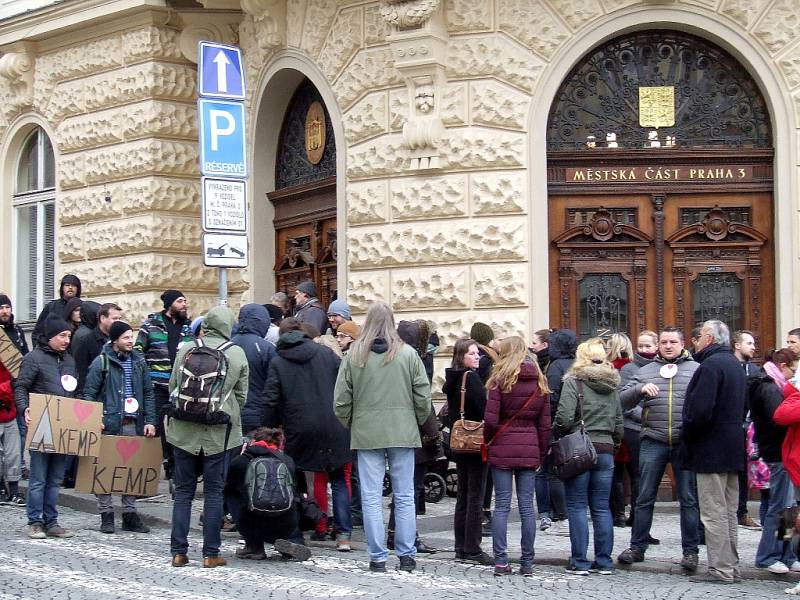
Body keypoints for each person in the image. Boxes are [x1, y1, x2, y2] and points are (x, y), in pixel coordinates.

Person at [334, 301, 430, 573]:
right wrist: (415, 421)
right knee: (404, 495)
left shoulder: (354, 356)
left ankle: (377, 557)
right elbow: (423, 397)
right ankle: (407, 555)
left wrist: (355, 423)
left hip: (367, 432)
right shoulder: (408, 354)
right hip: (402, 431)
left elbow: (341, 401)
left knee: (371, 496)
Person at [167, 306, 248, 568]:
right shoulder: (236, 353)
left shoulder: (185, 349)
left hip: (183, 432)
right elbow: (242, 396)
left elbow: (173, 387)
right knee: (214, 493)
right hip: (218, 434)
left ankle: (178, 552)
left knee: (183, 493)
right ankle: (210, 553)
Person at [262, 317, 352, 551]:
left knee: (297, 478)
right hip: (335, 423)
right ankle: (343, 535)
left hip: (299, 428)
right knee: (339, 479)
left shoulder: (279, 362)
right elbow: (345, 384)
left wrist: (269, 429)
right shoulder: (326, 353)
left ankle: (300, 531)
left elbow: (270, 400)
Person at [616, 327, 700, 572]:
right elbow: (620, 400)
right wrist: (638, 391)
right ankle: (637, 547)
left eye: (673, 341)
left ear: (682, 344)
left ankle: (690, 551)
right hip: (653, 439)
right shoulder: (646, 371)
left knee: (688, 498)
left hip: (685, 442)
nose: (668, 346)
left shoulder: (696, 370)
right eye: (664, 342)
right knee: (643, 497)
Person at [681, 319, 746, 584]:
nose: (694, 342)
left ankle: (720, 569)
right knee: (729, 510)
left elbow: (699, 411)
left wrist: (690, 433)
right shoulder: (734, 364)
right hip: (732, 444)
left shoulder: (710, 365)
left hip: (711, 446)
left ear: (708, 338)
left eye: (698, 338)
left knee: (713, 511)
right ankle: (731, 566)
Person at [484, 336, 551, 577]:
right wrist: (540, 452)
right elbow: (545, 425)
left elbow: (491, 420)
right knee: (526, 507)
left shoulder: (499, 380)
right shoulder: (539, 381)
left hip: (502, 446)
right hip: (530, 446)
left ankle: (501, 561)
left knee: (501, 505)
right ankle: (527, 562)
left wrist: (488, 440)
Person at [555, 337, 623, 576]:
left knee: (576, 506)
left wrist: (564, 432)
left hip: (580, 449)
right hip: (605, 449)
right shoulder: (612, 385)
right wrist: (611, 443)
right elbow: (618, 423)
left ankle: (580, 561)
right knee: (602, 508)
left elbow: (563, 417)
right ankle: (604, 562)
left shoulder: (574, 382)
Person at [82, 321, 156, 534]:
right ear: (115, 340)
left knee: (131, 469)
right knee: (104, 470)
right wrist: (94, 418)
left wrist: (150, 420)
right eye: (125, 337)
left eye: (131, 337)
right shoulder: (102, 362)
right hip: (110, 422)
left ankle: (130, 514)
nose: (130, 341)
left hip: (133, 422)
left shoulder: (139, 362)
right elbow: (89, 394)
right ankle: (106, 514)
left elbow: (148, 393)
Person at [15, 314, 78, 539]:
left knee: (55, 478)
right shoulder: (34, 358)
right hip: (42, 423)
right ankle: (35, 521)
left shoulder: (69, 360)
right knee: (39, 477)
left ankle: (52, 521)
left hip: (63, 426)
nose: (66, 340)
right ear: (50, 336)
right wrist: (25, 409)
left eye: (68, 336)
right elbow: (21, 387)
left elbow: (74, 392)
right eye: (62, 335)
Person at [389, 320, 440, 554]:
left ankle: (394, 533)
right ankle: (408, 536)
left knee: (404, 487)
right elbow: (423, 399)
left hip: (396, 428)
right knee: (410, 488)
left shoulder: (392, 358)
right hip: (413, 430)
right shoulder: (414, 360)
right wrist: (433, 431)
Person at [224, 427, 312, 562]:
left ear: (253, 441)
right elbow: (300, 492)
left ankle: (254, 547)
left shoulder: (241, 461)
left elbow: (228, 487)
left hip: (253, 522)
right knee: (293, 499)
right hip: (286, 523)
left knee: (231, 495)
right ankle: (294, 540)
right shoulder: (287, 460)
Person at [442, 338, 493, 566]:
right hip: (474, 442)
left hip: (459, 442)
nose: (477, 357)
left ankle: (460, 545)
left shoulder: (453, 378)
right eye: (472, 354)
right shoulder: (471, 378)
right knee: (475, 495)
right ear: (461, 356)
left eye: (478, 354)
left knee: (463, 494)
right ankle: (472, 547)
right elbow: (485, 409)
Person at [748, 348, 799, 574]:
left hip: (779, 454)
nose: (794, 374)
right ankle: (769, 555)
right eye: (793, 369)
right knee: (780, 508)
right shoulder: (769, 387)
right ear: (783, 366)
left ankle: (785, 554)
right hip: (779, 455)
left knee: (787, 509)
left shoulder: (770, 384)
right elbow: (778, 420)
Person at [135, 290, 194, 480]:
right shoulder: (151, 326)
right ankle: (163, 461)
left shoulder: (188, 328)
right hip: (156, 386)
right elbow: (137, 353)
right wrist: (145, 377)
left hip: (181, 386)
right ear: (169, 305)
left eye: (185, 301)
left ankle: (174, 465)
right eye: (180, 301)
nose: (184, 304)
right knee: (158, 426)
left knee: (179, 428)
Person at [618, 330, 658, 529]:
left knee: (647, 476)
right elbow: (624, 400)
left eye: (648, 346)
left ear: (656, 347)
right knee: (637, 474)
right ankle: (636, 517)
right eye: (641, 346)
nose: (644, 350)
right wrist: (643, 414)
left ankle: (643, 522)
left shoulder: (662, 368)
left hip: (657, 427)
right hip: (633, 427)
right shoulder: (628, 369)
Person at [540, 329, 577, 529]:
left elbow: (551, 398)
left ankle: (559, 513)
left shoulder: (555, 366)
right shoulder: (577, 364)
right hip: (576, 424)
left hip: (558, 423)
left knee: (552, 470)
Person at [733, 329, 764, 530]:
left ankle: (741, 512)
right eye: (749, 343)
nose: (753, 347)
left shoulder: (755, 371)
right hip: (732, 428)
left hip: (751, 429)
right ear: (737, 345)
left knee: (745, 473)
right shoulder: (727, 367)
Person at [231, 304, 277, 436]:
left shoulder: (227, 345)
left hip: (230, 411)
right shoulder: (266, 348)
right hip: (257, 413)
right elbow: (274, 384)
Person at [0, 294, 27, 504]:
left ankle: (14, 488)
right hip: (5, 392)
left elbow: (22, 363)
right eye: (1, 308)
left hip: (12, 396)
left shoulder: (16, 331)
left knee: (14, 449)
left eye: (7, 307)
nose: (5, 311)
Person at [606, 333, 633, 528]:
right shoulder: (634, 367)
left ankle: (618, 513)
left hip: (614, 425)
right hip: (634, 426)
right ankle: (634, 513)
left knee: (615, 474)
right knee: (635, 474)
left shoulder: (609, 369)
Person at [73, 302, 123, 396]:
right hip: (95, 395)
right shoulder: (86, 341)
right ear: (103, 318)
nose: (118, 322)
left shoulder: (120, 340)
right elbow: (80, 371)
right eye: (114, 318)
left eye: (120, 318)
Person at [31, 274, 81, 341]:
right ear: (62, 288)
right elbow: (38, 333)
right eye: (67, 285)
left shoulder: (83, 307)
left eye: (74, 285)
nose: (70, 288)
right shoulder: (51, 307)